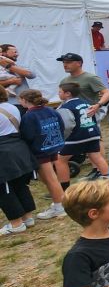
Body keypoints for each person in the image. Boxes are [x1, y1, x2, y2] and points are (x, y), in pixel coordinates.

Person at [17, 89, 66, 219]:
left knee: (50, 179)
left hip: (40, 150)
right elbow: (61, 125)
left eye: (20, 99)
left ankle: (59, 206)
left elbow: (28, 134)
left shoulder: (29, 116)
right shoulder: (51, 110)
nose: (19, 101)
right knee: (47, 178)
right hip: (53, 146)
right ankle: (60, 202)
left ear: (25, 100)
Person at [56, 83, 109, 187]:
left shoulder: (65, 107)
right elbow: (96, 118)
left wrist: (63, 138)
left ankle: (64, 188)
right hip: (93, 134)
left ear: (67, 94)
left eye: (60, 92)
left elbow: (66, 125)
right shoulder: (86, 103)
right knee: (97, 157)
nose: (58, 94)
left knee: (60, 160)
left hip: (76, 137)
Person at [0, 89, 37, 235]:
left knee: (4, 188)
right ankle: (27, 217)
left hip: (3, 152)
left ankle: (16, 223)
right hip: (19, 147)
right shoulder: (13, 107)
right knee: (20, 183)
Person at [58, 53, 109, 122]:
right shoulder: (64, 81)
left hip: (88, 115)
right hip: (71, 117)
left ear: (79, 63)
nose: (65, 65)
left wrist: (98, 105)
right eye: (64, 62)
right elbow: (63, 99)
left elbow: (107, 93)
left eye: (68, 62)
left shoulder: (90, 78)